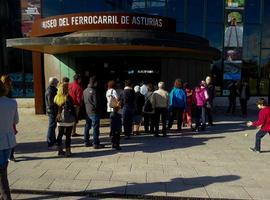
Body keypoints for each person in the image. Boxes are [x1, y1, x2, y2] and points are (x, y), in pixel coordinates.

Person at [0, 81, 19, 199]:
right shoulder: (12, 102)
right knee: (3, 169)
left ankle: (6, 196)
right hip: (8, 141)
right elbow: (15, 121)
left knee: (2, 173)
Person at [54, 83, 75, 157]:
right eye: (67, 88)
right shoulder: (68, 97)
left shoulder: (56, 98)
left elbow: (54, 109)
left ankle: (60, 151)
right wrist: (75, 117)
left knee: (60, 135)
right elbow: (72, 108)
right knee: (68, 136)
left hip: (60, 120)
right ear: (65, 89)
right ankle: (68, 151)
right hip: (68, 120)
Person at [83, 76, 104, 149]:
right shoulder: (94, 91)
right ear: (95, 82)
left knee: (87, 126)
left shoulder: (85, 90)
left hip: (87, 111)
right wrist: (99, 110)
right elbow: (96, 103)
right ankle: (96, 143)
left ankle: (86, 141)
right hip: (94, 112)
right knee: (95, 128)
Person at [106, 80, 122, 150]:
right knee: (117, 128)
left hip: (110, 110)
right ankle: (116, 144)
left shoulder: (107, 91)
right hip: (115, 110)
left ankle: (113, 143)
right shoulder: (114, 91)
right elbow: (117, 100)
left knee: (112, 127)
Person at [45, 77, 59, 149]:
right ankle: (50, 142)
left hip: (53, 111)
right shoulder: (50, 91)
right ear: (53, 83)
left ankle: (53, 140)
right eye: (57, 82)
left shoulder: (53, 90)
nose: (58, 83)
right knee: (51, 126)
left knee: (53, 126)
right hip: (52, 111)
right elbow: (51, 104)